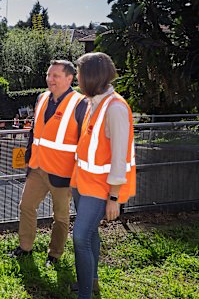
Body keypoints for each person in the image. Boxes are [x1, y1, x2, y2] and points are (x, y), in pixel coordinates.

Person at [71, 52, 136, 298]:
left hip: (100, 188)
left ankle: (85, 294)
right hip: (84, 183)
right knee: (89, 235)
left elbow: (120, 157)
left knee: (80, 238)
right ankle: (90, 281)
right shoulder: (94, 102)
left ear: (90, 76)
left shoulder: (116, 107)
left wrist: (114, 198)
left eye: (78, 73)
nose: (77, 78)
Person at [10, 60, 87, 267]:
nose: (50, 79)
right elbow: (35, 132)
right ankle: (25, 247)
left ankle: (55, 255)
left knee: (60, 217)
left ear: (69, 79)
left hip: (63, 172)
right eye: (48, 75)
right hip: (37, 167)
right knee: (26, 206)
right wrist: (28, 159)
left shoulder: (80, 103)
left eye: (55, 76)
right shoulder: (42, 97)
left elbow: (85, 142)